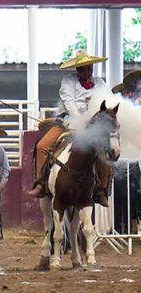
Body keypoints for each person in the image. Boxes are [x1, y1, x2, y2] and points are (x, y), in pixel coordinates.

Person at [27, 50, 112, 207]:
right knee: (42, 146)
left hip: (93, 127)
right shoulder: (68, 82)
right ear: (77, 70)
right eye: (82, 68)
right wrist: (81, 122)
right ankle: (41, 184)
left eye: (88, 67)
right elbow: (70, 104)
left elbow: (108, 102)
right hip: (68, 122)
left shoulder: (101, 83)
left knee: (105, 150)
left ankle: (102, 189)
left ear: (92, 67)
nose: (85, 71)